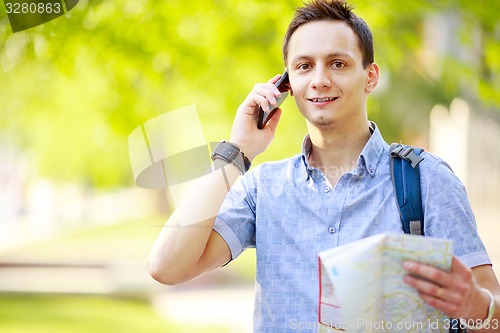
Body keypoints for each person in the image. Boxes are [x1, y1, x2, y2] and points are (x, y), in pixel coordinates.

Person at [148, 0, 500, 332]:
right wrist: (237, 151)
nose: (319, 79)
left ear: (370, 77)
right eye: (304, 66)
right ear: (287, 84)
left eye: (338, 63)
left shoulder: (426, 179)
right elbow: (167, 267)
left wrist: (477, 307)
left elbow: (492, 308)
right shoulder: (263, 189)